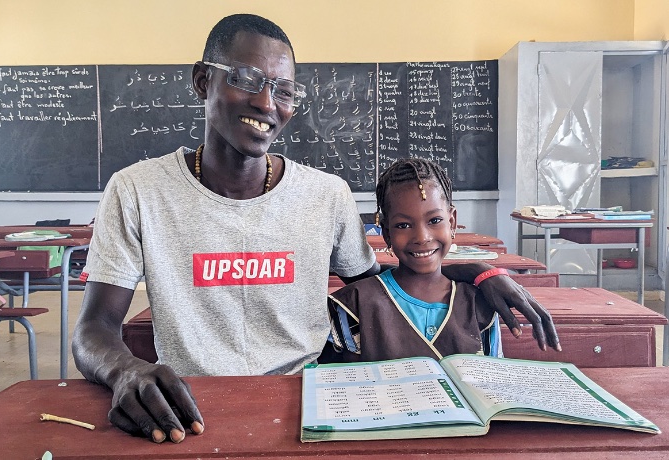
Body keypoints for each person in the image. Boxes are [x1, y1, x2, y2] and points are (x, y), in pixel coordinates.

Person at [72, 13, 560, 444]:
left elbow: (377, 289)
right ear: (203, 81)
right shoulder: (137, 190)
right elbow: (94, 329)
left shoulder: (325, 195)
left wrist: (473, 273)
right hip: (190, 407)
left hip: (313, 400)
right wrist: (125, 370)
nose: (267, 103)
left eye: (283, 90)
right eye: (247, 78)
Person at [320, 158, 504, 364]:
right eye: (403, 225)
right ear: (387, 233)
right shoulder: (352, 306)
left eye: (434, 221)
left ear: (452, 222)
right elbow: (337, 386)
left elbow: (491, 383)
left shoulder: (479, 304)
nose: (422, 237)